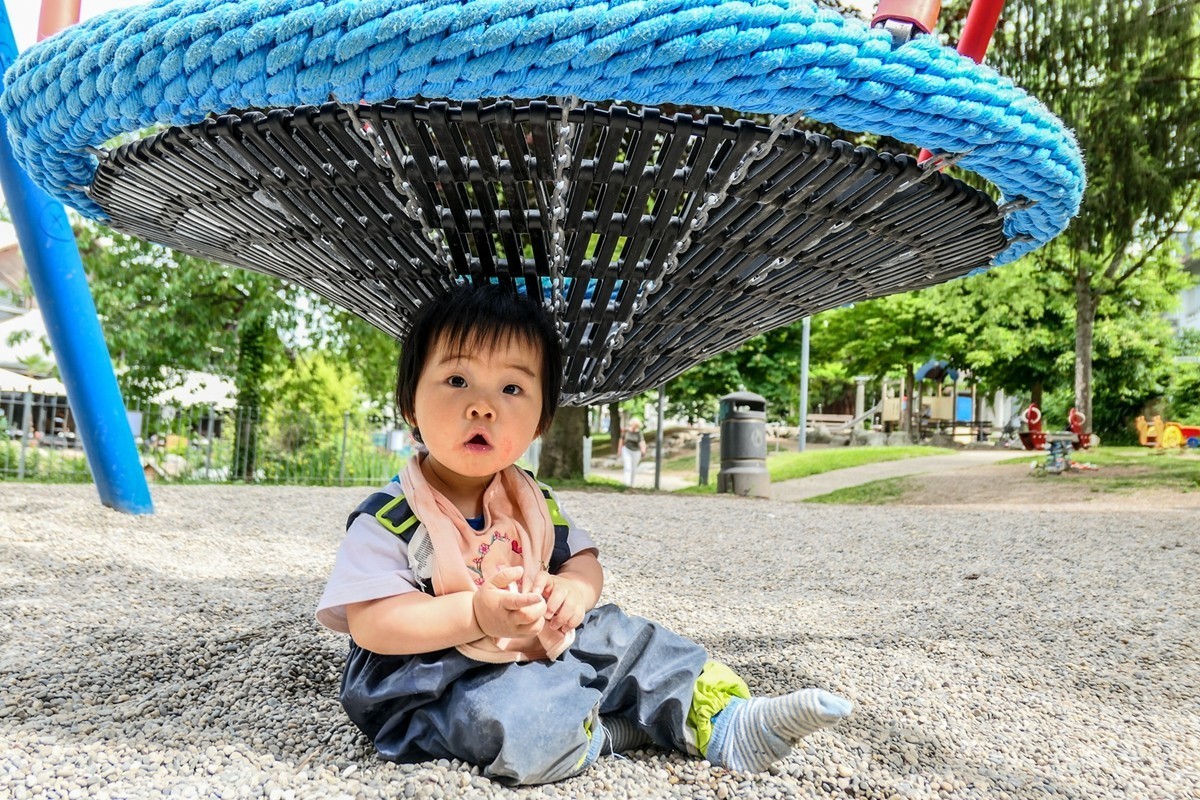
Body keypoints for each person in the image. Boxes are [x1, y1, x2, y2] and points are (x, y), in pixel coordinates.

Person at [316, 282, 852, 785]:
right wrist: (474, 614)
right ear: (410, 403)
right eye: (457, 381)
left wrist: (574, 590)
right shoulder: (390, 515)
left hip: (534, 640)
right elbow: (373, 623)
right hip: (436, 676)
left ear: (541, 421)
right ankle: (613, 732)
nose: (482, 405)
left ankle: (730, 721)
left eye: (511, 387)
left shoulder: (531, 499)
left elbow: (582, 560)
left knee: (625, 635)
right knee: (511, 721)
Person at [620, 416, 647, 487]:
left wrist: (643, 451)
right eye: (634, 424)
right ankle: (626, 484)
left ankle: (631, 485)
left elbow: (642, 442)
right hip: (626, 449)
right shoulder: (626, 431)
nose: (635, 426)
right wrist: (619, 450)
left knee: (634, 468)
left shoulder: (639, 433)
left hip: (636, 451)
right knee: (627, 467)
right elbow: (621, 440)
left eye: (636, 425)